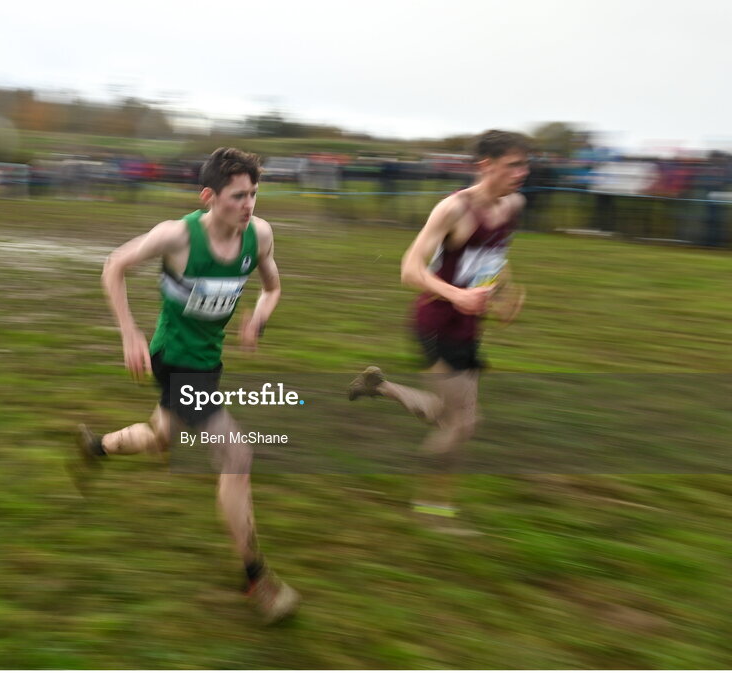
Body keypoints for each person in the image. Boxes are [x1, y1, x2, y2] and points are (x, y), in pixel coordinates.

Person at [73, 147, 299, 623]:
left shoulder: (258, 236)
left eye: (254, 194)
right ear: (208, 197)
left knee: (161, 437)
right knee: (237, 455)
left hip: (207, 363)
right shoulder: (176, 237)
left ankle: (95, 448)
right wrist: (129, 332)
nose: (249, 205)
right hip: (173, 361)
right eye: (238, 196)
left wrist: (259, 316)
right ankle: (256, 578)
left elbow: (274, 287)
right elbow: (113, 266)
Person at [348, 130, 530, 534]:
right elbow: (409, 269)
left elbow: (495, 255)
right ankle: (432, 510)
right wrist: (456, 296)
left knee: (450, 416)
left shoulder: (513, 205)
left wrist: (504, 292)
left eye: (524, 164)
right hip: (436, 324)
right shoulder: (453, 209)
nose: (523, 173)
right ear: (486, 166)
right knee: (462, 423)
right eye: (513, 165)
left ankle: (381, 387)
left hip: (468, 325)